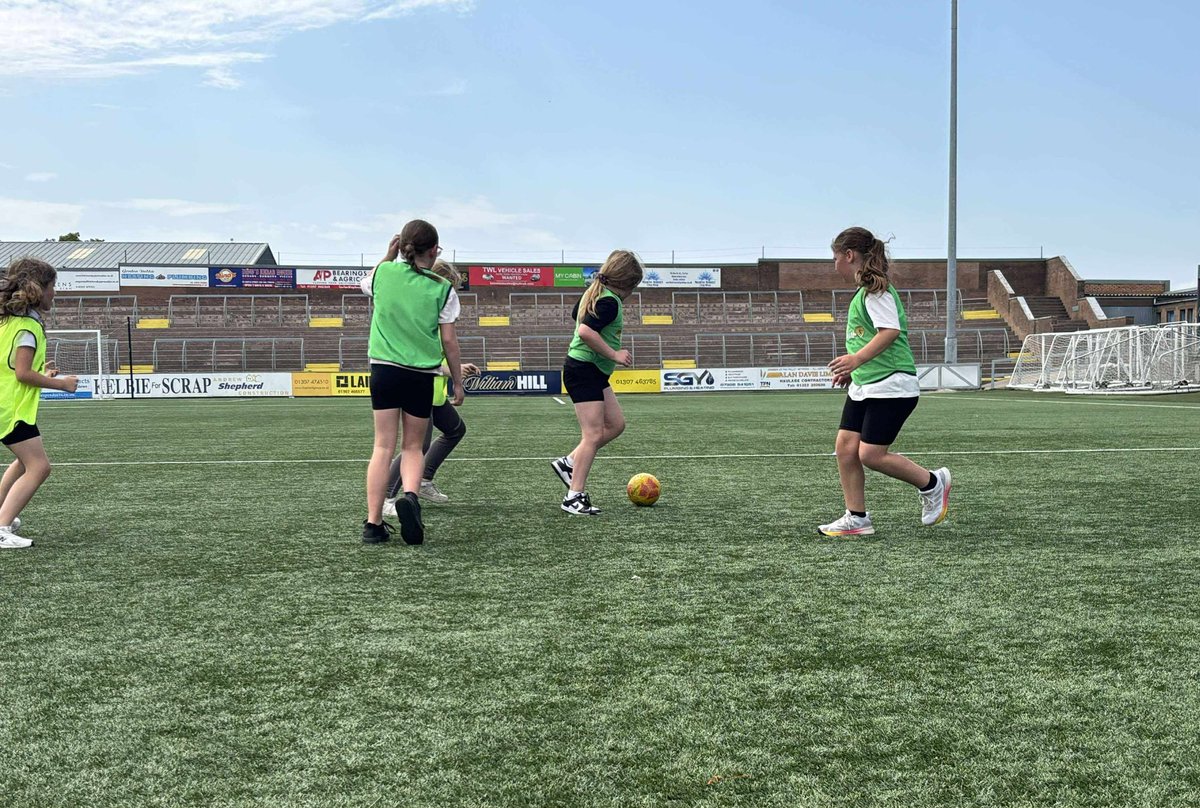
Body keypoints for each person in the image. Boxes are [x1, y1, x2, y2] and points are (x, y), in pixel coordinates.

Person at [818, 227, 950, 537]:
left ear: (848, 256)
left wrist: (857, 359)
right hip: (866, 386)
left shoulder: (876, 289)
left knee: (871, 454)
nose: (833, 264)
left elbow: (889, 331)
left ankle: (932, 484)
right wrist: (854, 370)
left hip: (892, 384)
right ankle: (857, 518)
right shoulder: (864, 292)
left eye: (834, 257)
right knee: (846, 448)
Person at [361, 221, 464, 545]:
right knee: (412, 446)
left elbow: (368, 283)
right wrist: (458, 382)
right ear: (433, 251)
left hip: (384, 371)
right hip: (421, 374)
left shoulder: (384, 274)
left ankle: (373, 524)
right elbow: (450, 343)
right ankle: (410, 496)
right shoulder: (442, 289)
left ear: (401, 246)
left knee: (382, 446)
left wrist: (386, 256)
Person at [550, 250, 644, 515]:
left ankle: (569, 463)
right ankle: (574, 496)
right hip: (584, 369)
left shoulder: (596, 293)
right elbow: (584, 330)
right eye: (633, 287)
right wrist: (615, 354)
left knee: (616, 424)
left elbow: (576, 316)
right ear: (626, 283)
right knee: (592, 434)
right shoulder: (609, 301)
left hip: (592, 371)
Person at [382, 259, 475, 512]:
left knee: (455, 430)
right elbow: (423, 357)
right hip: (424, 387)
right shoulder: (428, 309)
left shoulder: (429, 307)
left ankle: (423, 479)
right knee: (416, 446)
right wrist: (453, 374)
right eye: (451, 285)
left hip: (434, 390)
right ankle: (386, 498)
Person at [0, 258, 79, 549]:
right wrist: (61, 384)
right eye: (53, 287)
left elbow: (11, 368)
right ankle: (2, 526)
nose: (55, 293)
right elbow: (22, 373)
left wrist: (43, 374)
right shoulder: (28, 327)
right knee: (39, 467)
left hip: (8, 406)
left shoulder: (9, 321)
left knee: (24, 462)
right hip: (11, 409)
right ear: (39, 289)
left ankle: (2, 517)